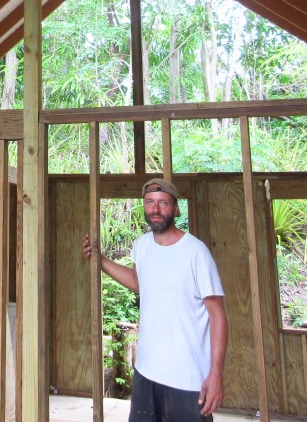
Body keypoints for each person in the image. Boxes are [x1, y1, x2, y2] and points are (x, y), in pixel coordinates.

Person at [82, 177, 227, 422]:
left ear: (176, 208)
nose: (155, 209)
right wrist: (100, 260)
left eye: (163, 203)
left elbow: (218, 314)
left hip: (187, 380)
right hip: (146, 374)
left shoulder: (196, 252)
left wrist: (216, 374)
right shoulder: (142, 245)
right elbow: (140, 283)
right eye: (149, 202)